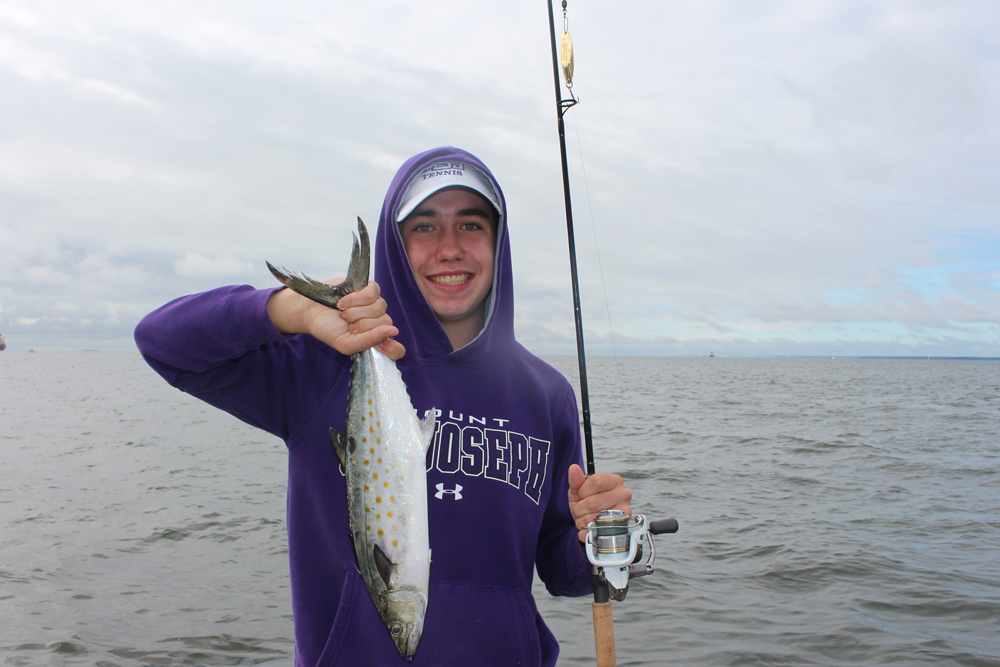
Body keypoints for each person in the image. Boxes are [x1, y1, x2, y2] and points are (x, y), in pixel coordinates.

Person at [135, 146, 631, 666]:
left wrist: (599, 537)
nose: (449, 249)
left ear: (497, 241)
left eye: (470, 225)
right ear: (395, 244)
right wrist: (289, 309)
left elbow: (563, 573)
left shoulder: (545, 393)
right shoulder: (325, 362)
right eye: (424, 227)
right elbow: (163, 343)